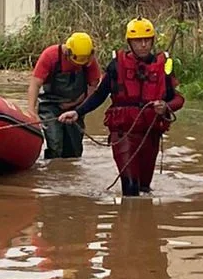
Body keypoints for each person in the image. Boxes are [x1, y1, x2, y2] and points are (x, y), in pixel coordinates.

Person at [59, 18, 183, 197]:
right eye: (138, 41)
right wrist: (78, 112)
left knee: (144, 188)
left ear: (152, 41)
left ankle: (143, 223)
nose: (143, 45)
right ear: (130, 43)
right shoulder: (117, 66)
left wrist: (166, 107)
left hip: (150, 134)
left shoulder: (163, 67)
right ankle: (127, 222)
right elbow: (100, 94)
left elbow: (178, 99)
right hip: (124, 134)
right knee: (131, 189)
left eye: (147, 40)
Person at [27, 32, 100, 160]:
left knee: (74, 151)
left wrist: (79, 105)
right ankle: (53, 172)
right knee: (55, 144)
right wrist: (31, 111)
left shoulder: (89, 59)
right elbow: (35, 84)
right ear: (68, 53)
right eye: (76, 62)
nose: (79, 66)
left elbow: (93, 87)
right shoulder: (50, 56)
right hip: (51, 106)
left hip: (77, 107)